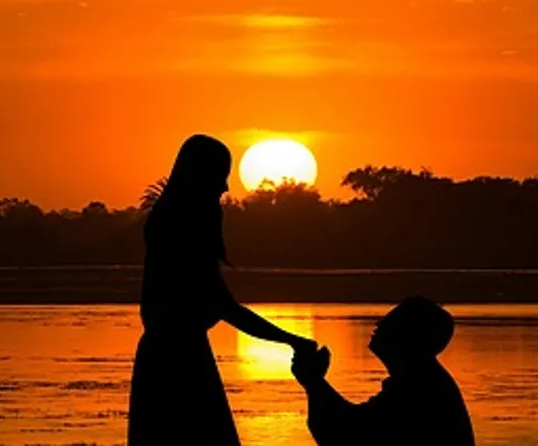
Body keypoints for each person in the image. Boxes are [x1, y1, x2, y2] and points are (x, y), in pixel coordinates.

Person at [129, 134, 317, 445]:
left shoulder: (168, 222)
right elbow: (225, 306)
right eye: (220, 177)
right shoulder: (179, 227)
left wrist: (291, 341)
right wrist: (292, 341)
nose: (226, 188)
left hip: (173, 355)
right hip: (176, 364)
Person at [291, 296, 476, 446]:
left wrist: (314, 383)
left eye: (391, 321)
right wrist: (314, 383)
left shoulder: (419, 385)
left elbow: (344, 435)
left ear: (410, 335)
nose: (379, 324)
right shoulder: (419, 378)